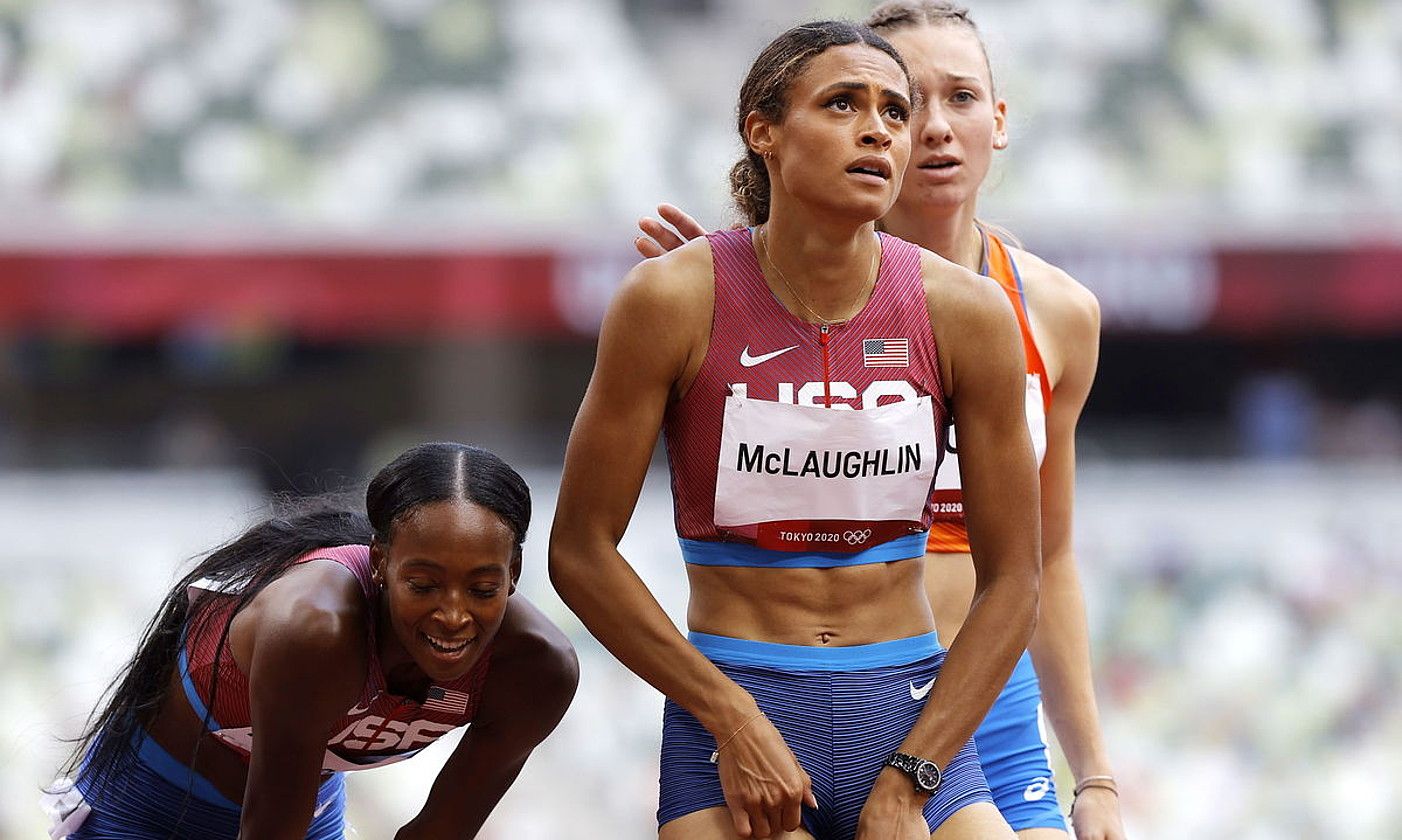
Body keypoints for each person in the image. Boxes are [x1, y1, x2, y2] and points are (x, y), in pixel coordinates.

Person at [633, 4, 1127, 838]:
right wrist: (716, 304)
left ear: (999, 121)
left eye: (959, 97)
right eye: (900, 101)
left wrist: (1097, 774)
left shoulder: (1052, 312)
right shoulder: (733, 282)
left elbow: (1051, 555)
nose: (926, 128)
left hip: (974, 693)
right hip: (785, 671)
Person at [552, 19, 1040, 840]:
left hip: (908, 707)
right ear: (763, 131)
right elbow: (578, 552)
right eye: (844, 104)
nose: (880, 130)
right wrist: (729, 716)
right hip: (736, 699)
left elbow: (1017, 578)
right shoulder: (669, 299)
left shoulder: (966, 313)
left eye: (894, 110)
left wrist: (913, 778)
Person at [47, 442, 578, 839]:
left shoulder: (538, 670)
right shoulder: (315, 631)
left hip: (307, 808)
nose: (454, 615)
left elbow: (438, 834)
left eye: (483, 589)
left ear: (513, 574)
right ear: (380, 564)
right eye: (423, 585)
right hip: (149, 803)